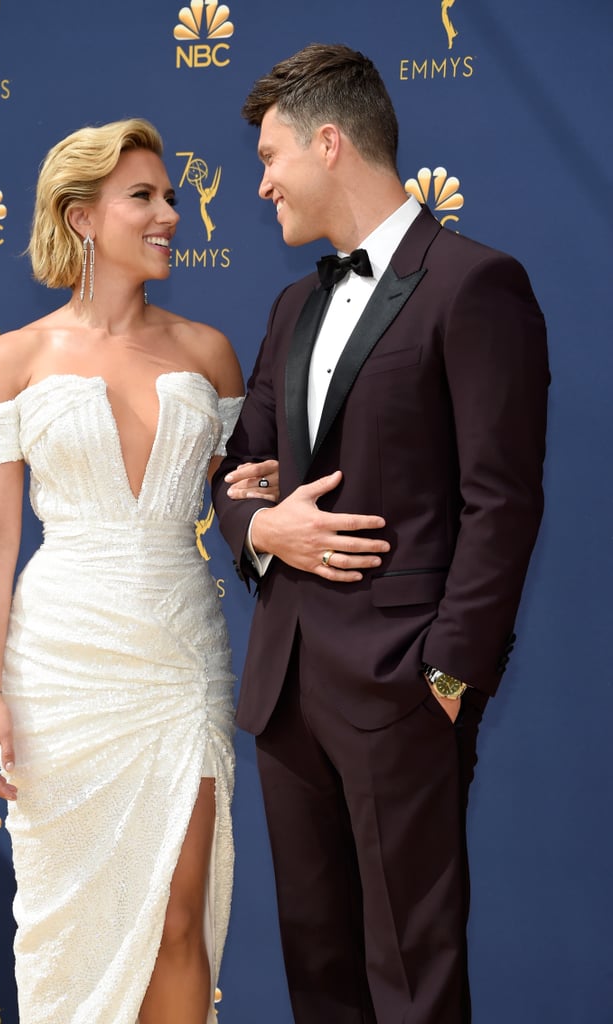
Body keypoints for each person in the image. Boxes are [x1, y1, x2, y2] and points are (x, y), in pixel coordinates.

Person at [211, 44, 549, 1024]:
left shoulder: (476, 284)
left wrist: (447, 676)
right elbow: (237, 471)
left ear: (329, 142)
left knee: (412, 979)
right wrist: (263, 524)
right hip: (283, 695)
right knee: (321, 978)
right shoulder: (292, 304)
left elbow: (503, 500)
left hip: (403, 689)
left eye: (271, 156)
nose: (262, 181)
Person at [0, 118, 277, 1024]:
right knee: (71, 931)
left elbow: (238, 508)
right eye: (143, 196)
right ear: (80, 218)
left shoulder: (208, 352)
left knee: (181, 920)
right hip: (60, 665)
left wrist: (265, 500)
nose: (170, 213)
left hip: (178, 659)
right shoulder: (11, 360)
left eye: (170, 195)